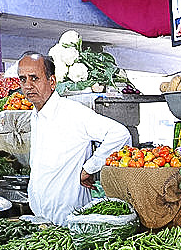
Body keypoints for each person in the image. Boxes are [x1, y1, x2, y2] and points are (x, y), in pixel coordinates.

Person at [16, 52, 131, 225]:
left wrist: (90, 168)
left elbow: (119, 134)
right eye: (23, 79)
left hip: (69, 222)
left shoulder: (72, 113)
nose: (28, 85)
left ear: (52, 82)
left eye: (34, 78)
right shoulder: (35, 115)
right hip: (43, 222)